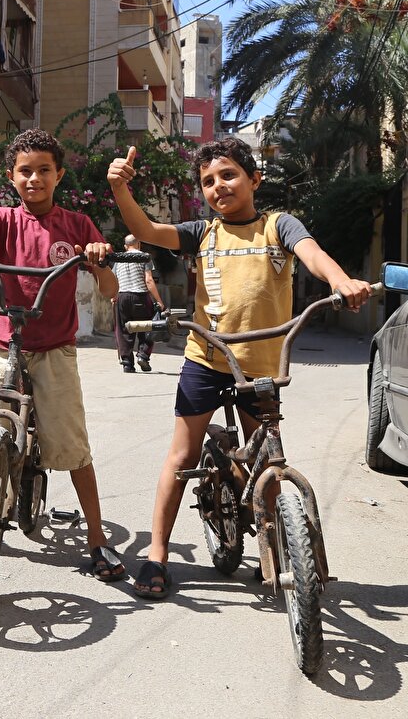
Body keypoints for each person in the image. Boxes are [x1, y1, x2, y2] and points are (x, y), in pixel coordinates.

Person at [107, 137, 372, 599]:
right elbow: (147, 230)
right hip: (206, 359)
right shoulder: (202, 233)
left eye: (228, 175)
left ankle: (271, 546)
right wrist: (120, 190)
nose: (218, 186)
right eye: (208, 181)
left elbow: (311, 252)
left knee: (264, 458)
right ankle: (157, 553)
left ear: (255, 179)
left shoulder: (278, 226)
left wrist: (341, 280)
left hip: (262, 365)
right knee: (183, 457)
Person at [0, 128, 127, 583]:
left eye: (44, 170)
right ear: (11, 176)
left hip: (54, 350)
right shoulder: (1, 220)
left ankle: (98, 539)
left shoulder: (78, 225)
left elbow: (111, 290)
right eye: (25, 171)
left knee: (73, 446)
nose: (34, 178)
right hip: (5, 345)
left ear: (59, 175)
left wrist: (100, 260)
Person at [112, 233, 165, 373]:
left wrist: (113, 296)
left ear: (125, 246)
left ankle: (127, 363)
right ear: (139, 244)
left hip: (122, 297)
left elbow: (114, 280)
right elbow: (148, 280)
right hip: (140, 296)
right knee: (148, 327)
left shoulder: (119, 259)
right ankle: (143, 355)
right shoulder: (144, 257)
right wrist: (159, 301)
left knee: (123, 330)